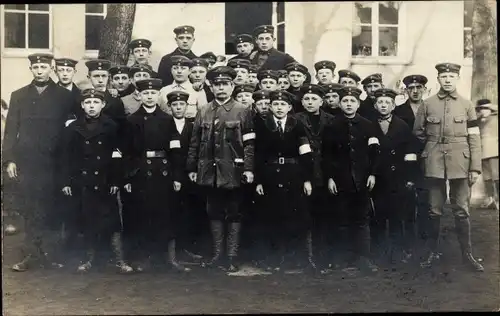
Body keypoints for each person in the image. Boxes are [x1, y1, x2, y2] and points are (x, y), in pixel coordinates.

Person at [4, 53, 74, 271]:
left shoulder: (65, 96)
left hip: (55, 161)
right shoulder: (19, 96)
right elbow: (10, 132)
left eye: (44, 66)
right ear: (31, 69)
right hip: (28, 162)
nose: (40, 70)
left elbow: (72, 132)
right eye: (36, 67)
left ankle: (51, 255)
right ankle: (31, 255)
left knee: (52, 206)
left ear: (51, 68)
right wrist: (9, 160)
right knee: (31, 207)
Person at [413, 62, 484, 272]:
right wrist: (433, 146)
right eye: (443, 77)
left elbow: (474, 138)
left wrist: (475, 167)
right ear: (438, 79)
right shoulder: (427, 105)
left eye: (451, 77)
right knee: (433, 210)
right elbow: (417, 132)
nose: (447, 80)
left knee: (462, 210)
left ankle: (467, 255)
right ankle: (431, 253)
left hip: (460, 163)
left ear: (457, 79)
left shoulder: (467, 105)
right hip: (434, 162)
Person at [186, 66, 255, 273]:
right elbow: (195, 142)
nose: (221, 88)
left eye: (225, 84)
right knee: (213, 211)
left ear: (232, 86)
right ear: (212, 87)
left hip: (233, 171)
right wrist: (191, 167)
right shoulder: (204, 110)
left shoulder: (243, 110)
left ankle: (231, 257)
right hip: (209, 171)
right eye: (217, 84)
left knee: (234, 213)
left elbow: (250, 144)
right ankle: (217, 255)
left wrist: (249, 168)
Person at [60, 88, 132, 273]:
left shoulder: (112, 126)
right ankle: (89, 259)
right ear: (82, 106)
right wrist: (66, 182)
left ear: (103, 105)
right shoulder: (73, 128)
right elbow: (65, 157)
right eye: (88, 103)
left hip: (106, 181)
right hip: (82, 181)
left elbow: (118, 156)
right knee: (87, 219)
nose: (92, 106)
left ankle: (119, 259)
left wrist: (116, 181)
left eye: (96, 103)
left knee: (113, 220)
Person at [122, 78, 189, 273]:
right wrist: (128, 176)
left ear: (158, 95)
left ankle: (169, 258)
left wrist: (177, 177)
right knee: (144, 215)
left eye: (153, 93)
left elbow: (175, 150)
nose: (149, 96)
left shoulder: (167, 119)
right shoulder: (132, 120)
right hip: (141, 173)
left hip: (164, 173)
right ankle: (145, 257)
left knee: (166, 214)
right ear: (140, 95)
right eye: (145, 93)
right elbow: (127, 152)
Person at [254, 90, 316, 274]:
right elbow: (258, 155)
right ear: (270, 107)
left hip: (293, 175)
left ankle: (292, 258)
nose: (279, 108)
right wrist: (258, 181)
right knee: (272, 217)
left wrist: (306, 179)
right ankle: (274, 258)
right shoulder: (263, 125)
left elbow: (306, 154)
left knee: (293, 217)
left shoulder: (298, 125)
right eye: (276, 104)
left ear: (289, 107)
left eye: (283, 105)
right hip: (270, 176)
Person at [322, 86, 380, 274]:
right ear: (339, 103)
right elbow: (327, 154)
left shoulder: (368, 124)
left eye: (352, 101)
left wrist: (372, 173)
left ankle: (363, 258)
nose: (348, 104)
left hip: (362, 179)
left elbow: (374, 153)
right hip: (340, 179)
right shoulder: (332, 125)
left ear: (358, 104)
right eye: (345, 101)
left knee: (362, 220)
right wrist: (330, 177)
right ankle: (342, 258)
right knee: (341, 219)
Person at [370, 88, 418, 265]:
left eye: (387, 103)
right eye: (380, 103)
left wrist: (409, 177)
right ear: (375, 105)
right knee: (378, 216)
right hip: (378, 177)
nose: (383, 106)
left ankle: (397, 252)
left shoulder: (402, 125)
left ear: (393, 105)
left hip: (397, 177)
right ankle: (379, 252)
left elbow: (410, 153)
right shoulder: (370, 125)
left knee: (397, 216)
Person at [294, 84, 335, 271]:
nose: (310, 102)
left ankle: (323, 257)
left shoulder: (331, 120)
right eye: (307, 99)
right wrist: (305, 178)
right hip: (303, 173)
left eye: (314, 99)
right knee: (303, 218)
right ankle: (305, 257)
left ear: (322, 101)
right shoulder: (295, 120)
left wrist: (332, 176)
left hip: (326, 173)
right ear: (302, 101)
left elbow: (336, 151)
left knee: (324, 218)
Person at [167, 90, 208, 263]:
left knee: (190, 212)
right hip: (171, 174)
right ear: (169, 107)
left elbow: (200, 149)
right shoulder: (165, 125)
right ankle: (172, 251)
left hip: (191, 175)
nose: (178, 108)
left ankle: (187, 248)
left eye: (181, 104)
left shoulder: (193, 126)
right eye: (175, 105)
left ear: (187, 106)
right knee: (172, 211)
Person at [394, 74, 430, 250]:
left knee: (426, 200)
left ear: (424, 89)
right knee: (406, 200)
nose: (415, 92)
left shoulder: (431, 108)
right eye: (411, 89)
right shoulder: (398, 111)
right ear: (406, 90)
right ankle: (406, 242)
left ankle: (424, 241)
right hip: (406, 161)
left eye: (419, 88)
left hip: (427, 159)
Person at [475, 99, 499, 211]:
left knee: (497, 176)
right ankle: (490, 199)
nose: (483, 111)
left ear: (490, 108)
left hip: (494, 152)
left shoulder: (495, 117)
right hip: (482, 152)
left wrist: (491, 107)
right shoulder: (478, 121)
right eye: (481, 109)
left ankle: (498, 200)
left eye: (486, 108)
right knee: (487, 177)